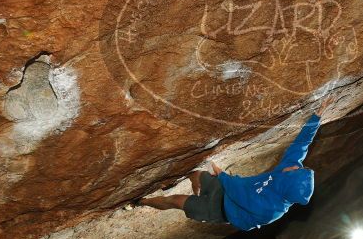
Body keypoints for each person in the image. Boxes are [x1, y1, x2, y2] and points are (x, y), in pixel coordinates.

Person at [135, 98, 331, 231]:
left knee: (175, 201)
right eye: (298, 168)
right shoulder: (288, 171)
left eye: (295, 170)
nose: (294, 166)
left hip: (222, 210)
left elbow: (241, 193)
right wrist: (317, 117)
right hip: (226, 189)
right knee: (196, 173)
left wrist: (221, 173)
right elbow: (301, 145)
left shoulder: (271, 210)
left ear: (288, 183)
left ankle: (141, 202)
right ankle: (197, 185)